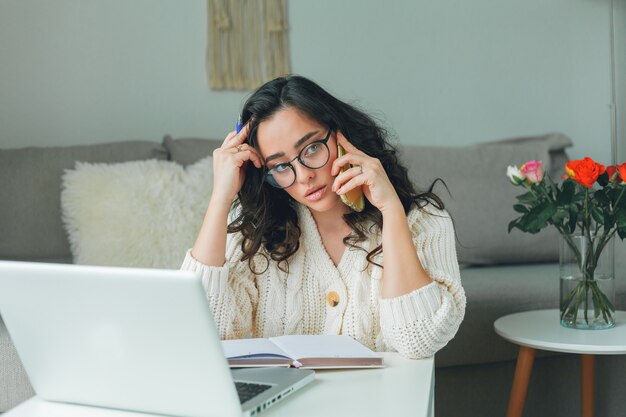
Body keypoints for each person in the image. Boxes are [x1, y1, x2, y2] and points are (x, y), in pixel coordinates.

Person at [181, 75, 465, 358]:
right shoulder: (255, 230)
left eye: (313, 148)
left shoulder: (424, 221)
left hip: (379, 402)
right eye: (280, 166)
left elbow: (419, 341)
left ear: (341, 134)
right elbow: (196, 331)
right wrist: (221, 197)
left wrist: (391, 211)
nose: (304, 176)